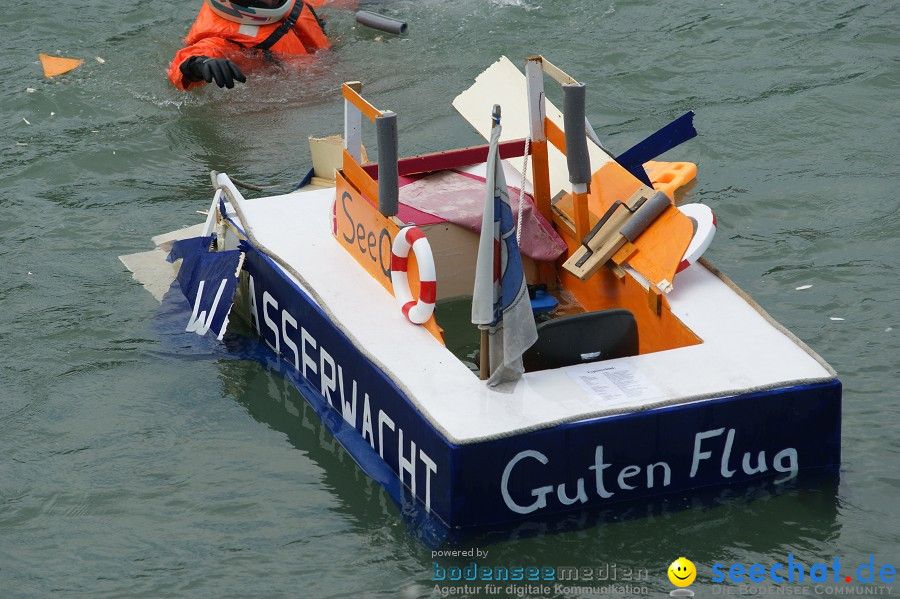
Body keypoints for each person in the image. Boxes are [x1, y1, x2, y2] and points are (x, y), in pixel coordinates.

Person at [168, 0, 330, 91]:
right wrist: (198, 65)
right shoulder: (224, 40)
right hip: (286, 104)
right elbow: (181, 65)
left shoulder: (284, 4)